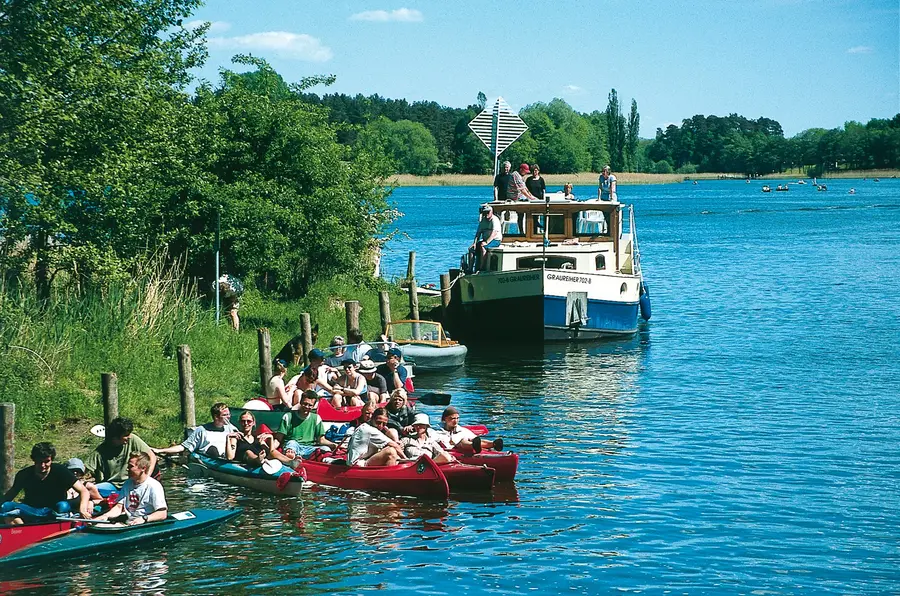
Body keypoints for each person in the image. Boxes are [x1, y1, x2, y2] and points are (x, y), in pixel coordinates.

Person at [1, 442, 93, 521]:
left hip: (55, 510)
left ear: (51, 460)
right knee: (6, 506)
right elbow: (10, 495)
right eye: (39, 462)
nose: (43, 465)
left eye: (46, 461)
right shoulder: (24, 474)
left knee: (63, 506)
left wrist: (83, 509)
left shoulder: (61, 471)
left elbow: (83, 491)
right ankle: (23, 529)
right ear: (34, 460)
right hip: (31, 510)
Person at [84, 417, 158, 498]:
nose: (129, 437)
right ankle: (102, 502)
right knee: (88, 489)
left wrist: (146, 479)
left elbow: (152, 456)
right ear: (115, 437)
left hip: (132, 482)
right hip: (113, 486)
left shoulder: (133, 439)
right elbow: (85, 470)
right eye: (125, 435)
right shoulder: (100, 451)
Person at [94, 452, 167, 526]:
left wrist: (144, 518)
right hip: (130, 523)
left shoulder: (154, 486)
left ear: (143, 468)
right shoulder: (127, 483)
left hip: (146, 524)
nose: (127, 469)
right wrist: (105, 516)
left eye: (131, 466)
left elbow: (162, 514)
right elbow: (119, 507)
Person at [153, 402, 238, 459]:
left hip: (226, 459)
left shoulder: (231, 428)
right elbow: (183, 447)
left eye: (229, 414)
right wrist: (160, 450)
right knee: (212, 450)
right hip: (209, 459)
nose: (229, 417)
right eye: (225, 415)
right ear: (216, 416)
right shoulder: (202, 430)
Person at [274, 390, 337, 457]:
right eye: (305, 404)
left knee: (325, 449)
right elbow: (278, 438)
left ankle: (328, 461)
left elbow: (321, 440)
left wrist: (333, 445)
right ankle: (291, 459)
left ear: (313, 406)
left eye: (310, 405)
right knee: (292, 443)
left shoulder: (316, 418)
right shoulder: (288, 416)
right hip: (293, 445)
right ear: (300, 402)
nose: (307, 407)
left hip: (309, 448)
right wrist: (271, 448)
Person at [431, 406, 503, 454]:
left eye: (457, 418)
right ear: (444, 419)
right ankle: (474, 445)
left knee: (473, 439)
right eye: (452, 418)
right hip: (452, 450)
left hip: (466, 448)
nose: (456, 421)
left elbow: (476, 439)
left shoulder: (462, 430)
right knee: (461, 443)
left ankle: (493, 444)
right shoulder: (436, 432)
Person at [468, 203, 502, 273]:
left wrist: (486, 242)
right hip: (485, 239)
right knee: (471, 249)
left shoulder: (495, 220)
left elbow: (494, 233)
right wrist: (474, 243)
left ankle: (481, 268)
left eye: (487, 212)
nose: (486, 214)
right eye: (484, 212)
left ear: (491, 212)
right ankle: (470, 269)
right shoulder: (483, 221)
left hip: (495, 240)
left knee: (483, 247)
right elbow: (478, 233)